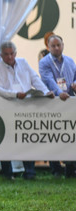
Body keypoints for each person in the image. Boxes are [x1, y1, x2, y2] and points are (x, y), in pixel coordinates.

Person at [0, 41, 54, 180]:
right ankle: (8, 174)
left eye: (12, 54)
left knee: (27, 140)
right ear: (1, 55)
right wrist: (14, 95)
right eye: (6, 55)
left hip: (26, 107)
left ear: (16, 53)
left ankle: (30, 172)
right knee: (6, 141)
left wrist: (45, 92)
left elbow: (35, 79)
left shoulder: (23, 62)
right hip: (8, 108)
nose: (9, 57)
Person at [39, 35, 76, 177]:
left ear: (63, 45)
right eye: (53, 46)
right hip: (53, 103)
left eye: (58, 45)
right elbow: (48, 80)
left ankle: (70, 169)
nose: (56, 48)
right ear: (48, 47)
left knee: (70, 137)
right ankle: (55, 169)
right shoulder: (44, 62)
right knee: (53, 137)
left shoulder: (70, 61)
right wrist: (59, 92)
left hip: (70, 103)